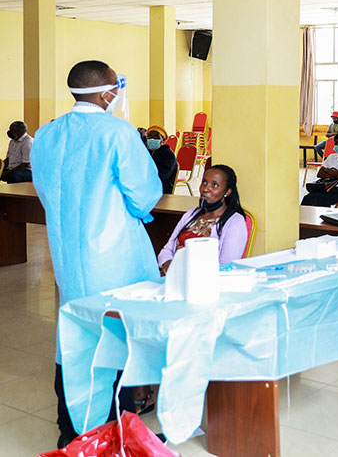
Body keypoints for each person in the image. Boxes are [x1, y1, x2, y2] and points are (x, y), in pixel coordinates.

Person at [31, 60, 161, 448]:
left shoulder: (46, 135)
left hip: (69, 256)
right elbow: (144, 193)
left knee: (74, 334)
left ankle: (71, 431)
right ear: (107, 93)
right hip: (114, 256)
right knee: (118, 337)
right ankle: (113, 433)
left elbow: (45, 190)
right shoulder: (118, 133)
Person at [158, 165, 247, 272]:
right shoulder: (191, 214)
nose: (205, 189)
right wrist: (167, 264)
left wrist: (188, 272)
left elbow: (226, 266)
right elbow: (167, 249)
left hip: (206, 282)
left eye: (214, 185)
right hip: (175, 276)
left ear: (227, 191)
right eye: (204, 182)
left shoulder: (234, 222)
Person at [302, 131, 338, 206]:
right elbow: (320, 173)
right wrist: (335, 174)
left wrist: (327, 170)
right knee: (307, 198)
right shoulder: (331, 157)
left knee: (317, 199)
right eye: (336, 143)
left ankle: (323, 216)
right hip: (326, 186)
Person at [145, 129, 177, 194]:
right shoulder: (147, 153)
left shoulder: (168, 155)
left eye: (156, 137)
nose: (152, 139)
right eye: (150, 137)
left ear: (163, 140)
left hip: (162, 188)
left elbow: (162, 176)